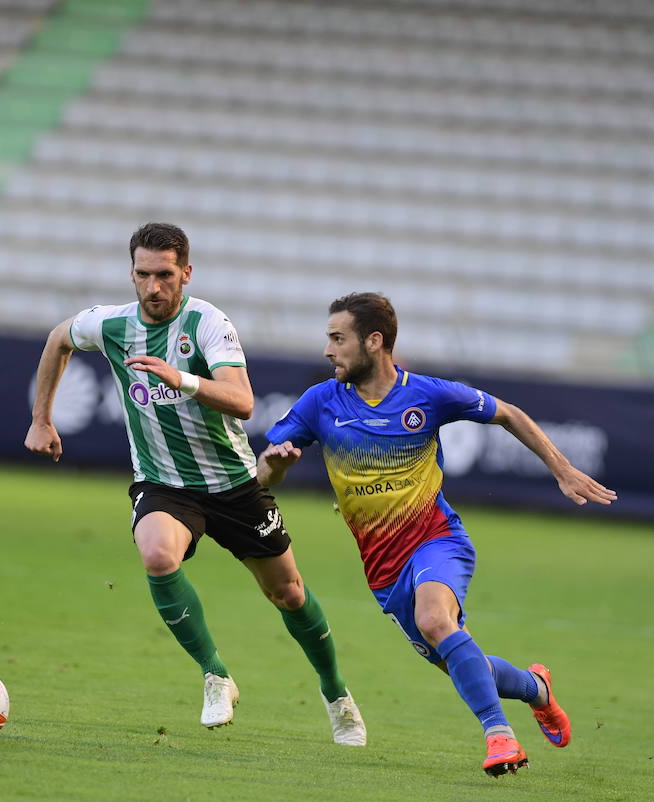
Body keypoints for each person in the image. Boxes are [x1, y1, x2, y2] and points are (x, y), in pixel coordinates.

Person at [24, 222, 365, 745]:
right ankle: (215, 675)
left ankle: (336, 693)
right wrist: (41, 419)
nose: (154, 287)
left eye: (165, 275)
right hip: (163, 484)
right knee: (158, 555)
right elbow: (57, 339)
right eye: (143, 275)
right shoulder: (111, 324)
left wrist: (177, 377)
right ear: (132, 273)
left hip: (232, 482)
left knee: (289, 593)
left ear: (186, 272)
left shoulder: (208, 323)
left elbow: (243, 401)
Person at [257, 292, 617, 777]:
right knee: (457, 657)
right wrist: (274, 468)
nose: (328, 350)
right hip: (383, 571)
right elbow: (263, 473)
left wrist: (562, 468)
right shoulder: (320, 402)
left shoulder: (428, 394)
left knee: (434, 619)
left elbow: (507, 413)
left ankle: (499, 736)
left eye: (338, 339)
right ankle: (536, 689)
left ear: (374, 341)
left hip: (437, 540)